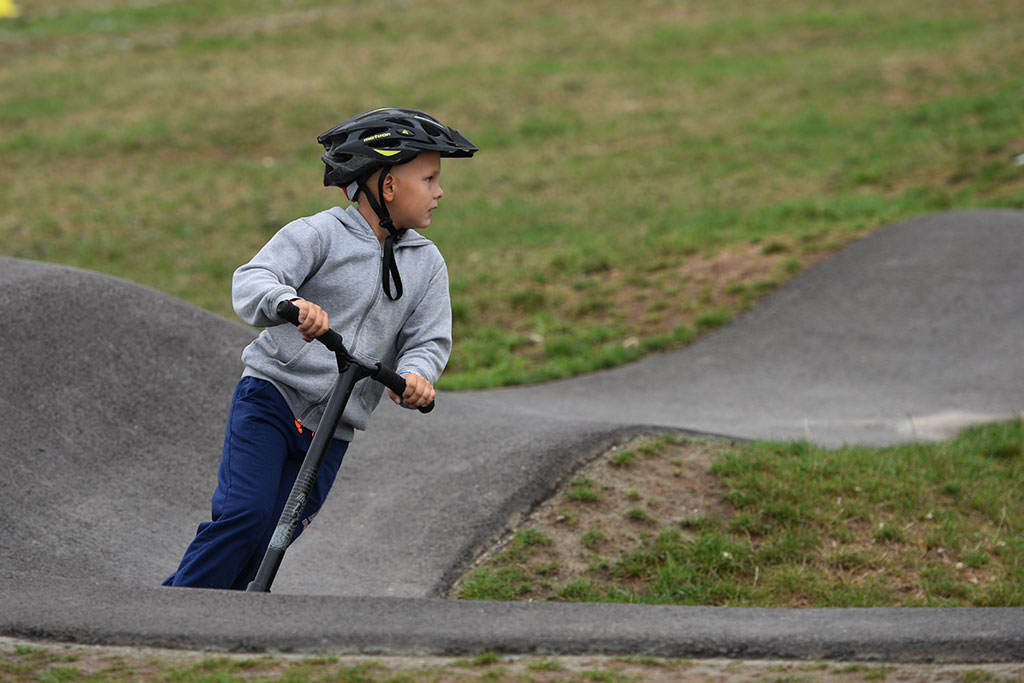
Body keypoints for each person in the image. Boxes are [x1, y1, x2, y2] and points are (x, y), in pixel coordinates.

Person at [163, 107, 478, 589]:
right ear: (388, 186)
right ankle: (172, 613)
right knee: (245, 518)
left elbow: (427, 338)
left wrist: (417, 375)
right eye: (430, 178)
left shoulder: (427, 264)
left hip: (334, 427)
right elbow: (253, 280)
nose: (440, 191)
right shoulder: (319, 235)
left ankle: (224, 626)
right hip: (272, 399)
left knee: (275, 535)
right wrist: (288, 303)